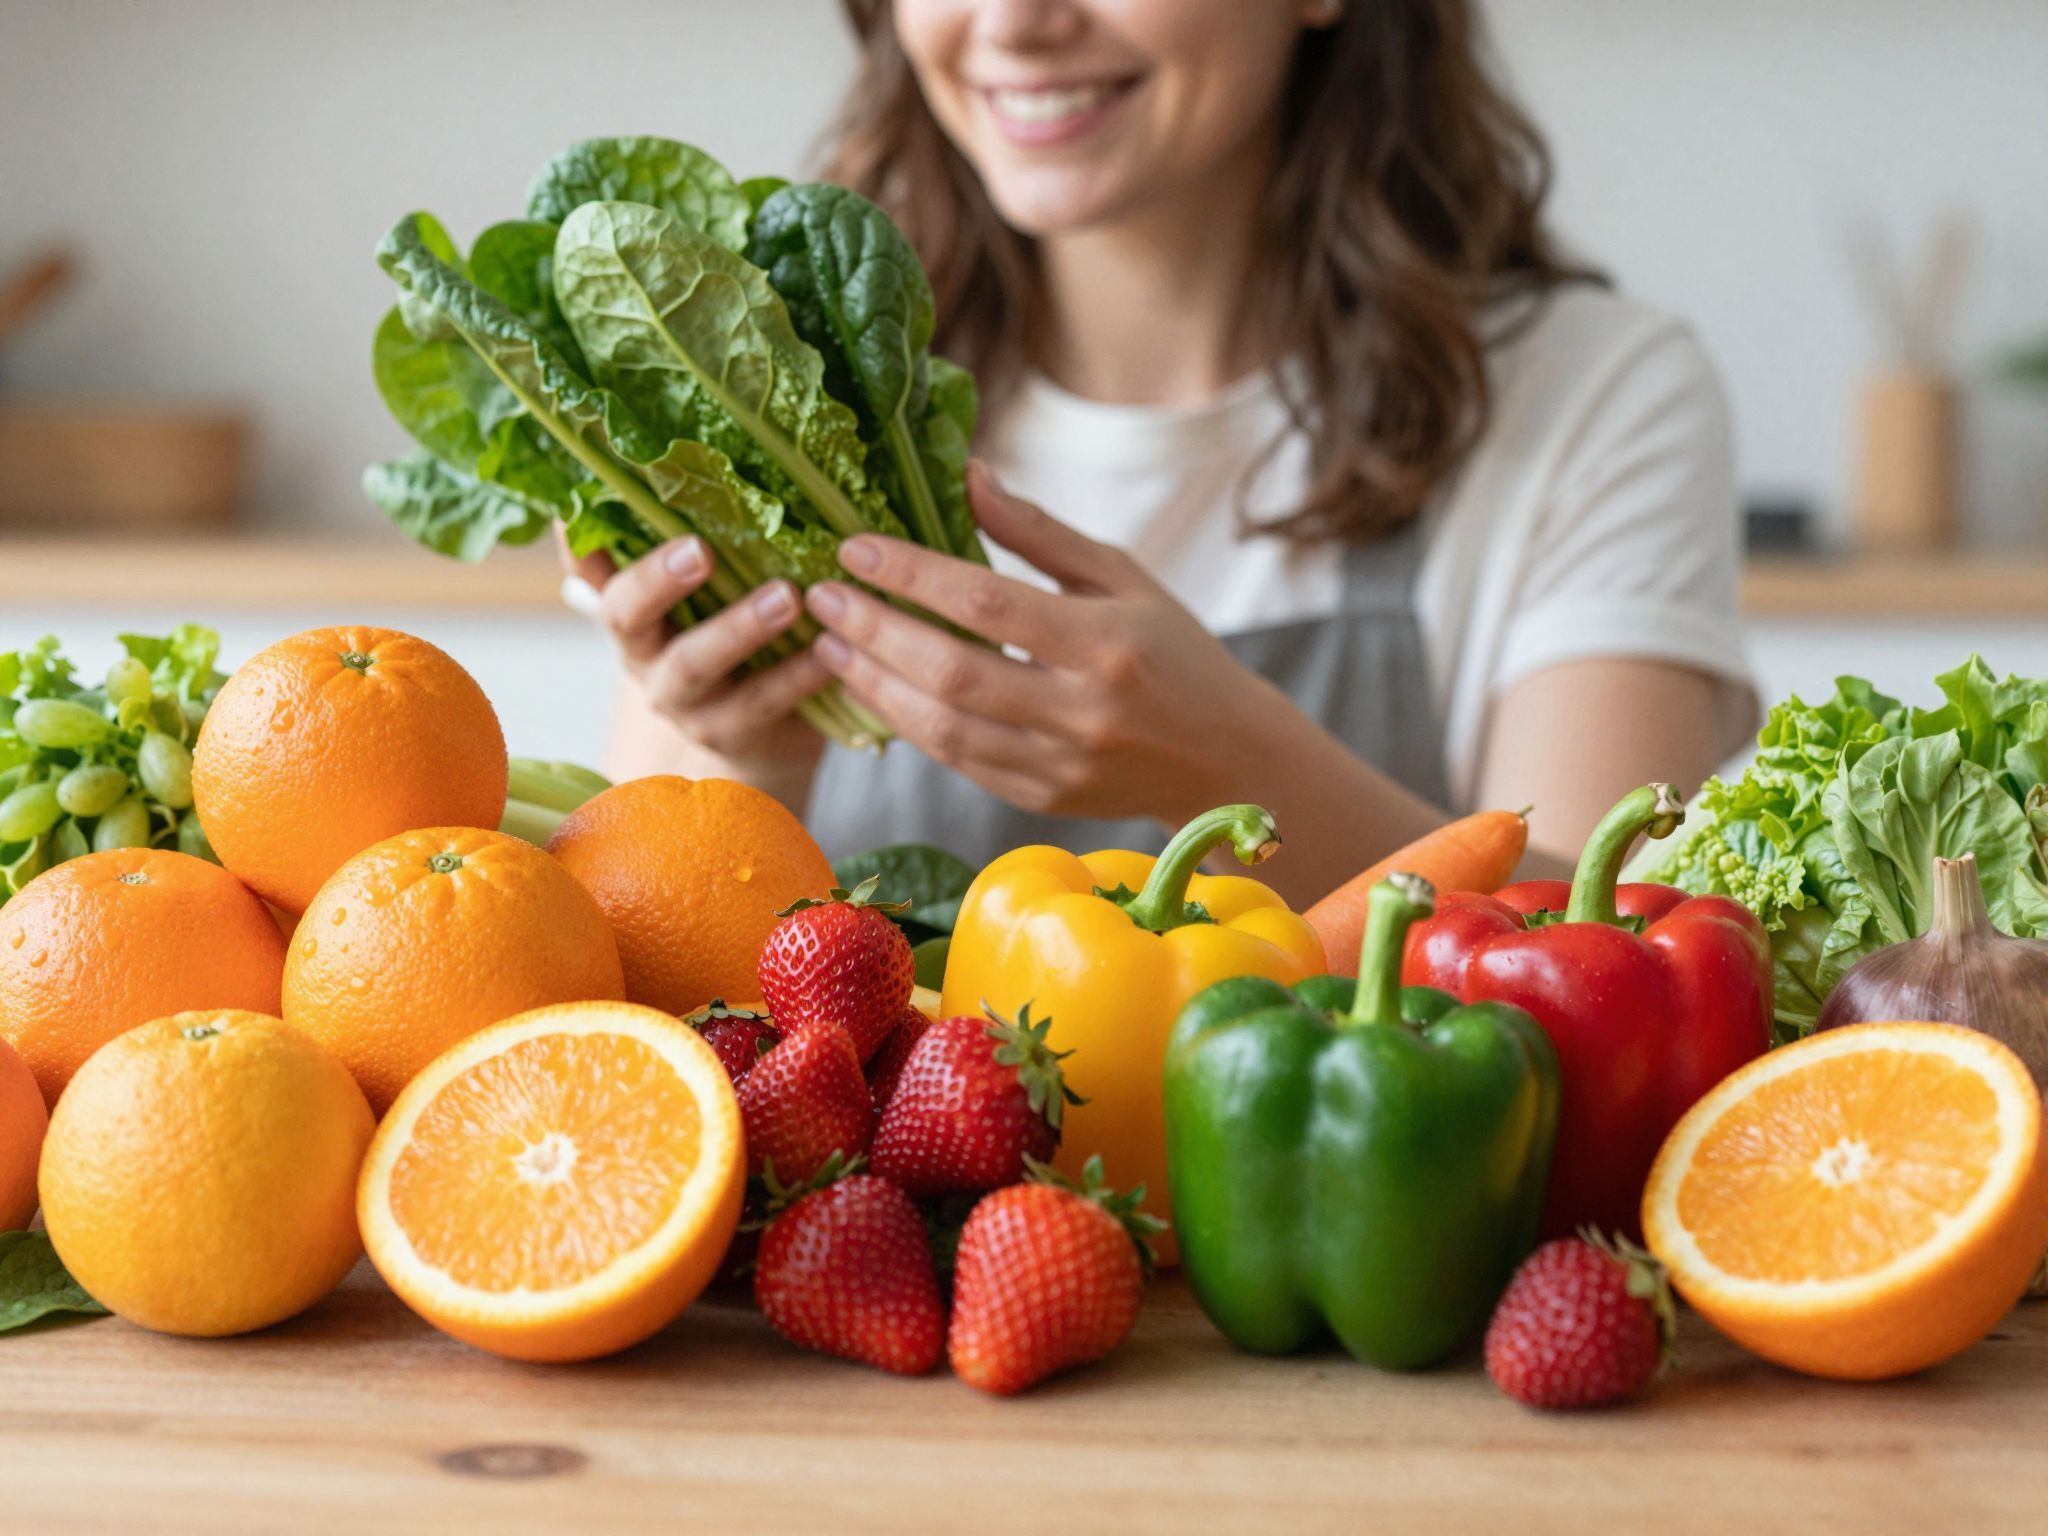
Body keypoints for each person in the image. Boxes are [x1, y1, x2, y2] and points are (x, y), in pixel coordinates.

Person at [566, 0, 1756, 906]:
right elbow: (658, 997)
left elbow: (1619, 950)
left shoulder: (1591, 394)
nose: (1017, 25)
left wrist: (1234, 766)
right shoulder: (779, 387)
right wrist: (747, 751)